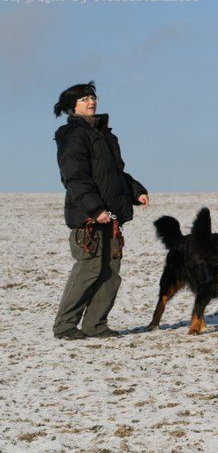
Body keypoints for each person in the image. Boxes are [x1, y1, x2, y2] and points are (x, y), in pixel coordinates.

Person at [52, 81, 149, 340]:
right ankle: (65, 326)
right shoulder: (73, 135)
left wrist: (136, 190)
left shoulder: (105, 135)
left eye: (92, 97)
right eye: (84, 99)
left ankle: (95, 325)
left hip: (111, 215)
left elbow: (115, 173)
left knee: (110, 273)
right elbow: (75, 178)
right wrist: (95, 209)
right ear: (72, 107)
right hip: (89, 216)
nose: (91, 102)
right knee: (88, 270)